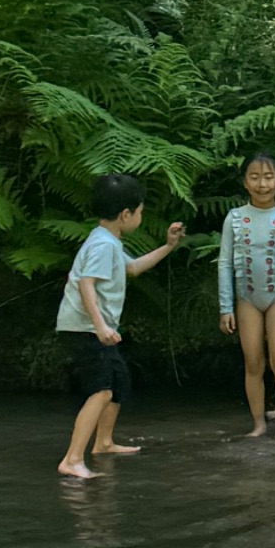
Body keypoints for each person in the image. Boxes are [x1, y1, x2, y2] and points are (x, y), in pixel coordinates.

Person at [54, 173, 185, 481]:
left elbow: (132, 268)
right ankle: (72, 459)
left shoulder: (107, 241)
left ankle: (104, 442)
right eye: (139, 212)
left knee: (118, 381)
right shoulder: (103, 245)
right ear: (126, 214)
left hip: (91, 327)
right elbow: (86, 284)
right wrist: (100, 327)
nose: (140, 217)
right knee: (100, 390)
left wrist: (168, 246)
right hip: (84, 328)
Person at [217, 151, 275, 438]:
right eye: (255, 177)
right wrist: (225, 307)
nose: (262, 184)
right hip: (247, 298)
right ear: (245, 182)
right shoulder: (235, 218)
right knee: (253, 361)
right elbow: (225, 262)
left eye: (268, 177)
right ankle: (258, 423)